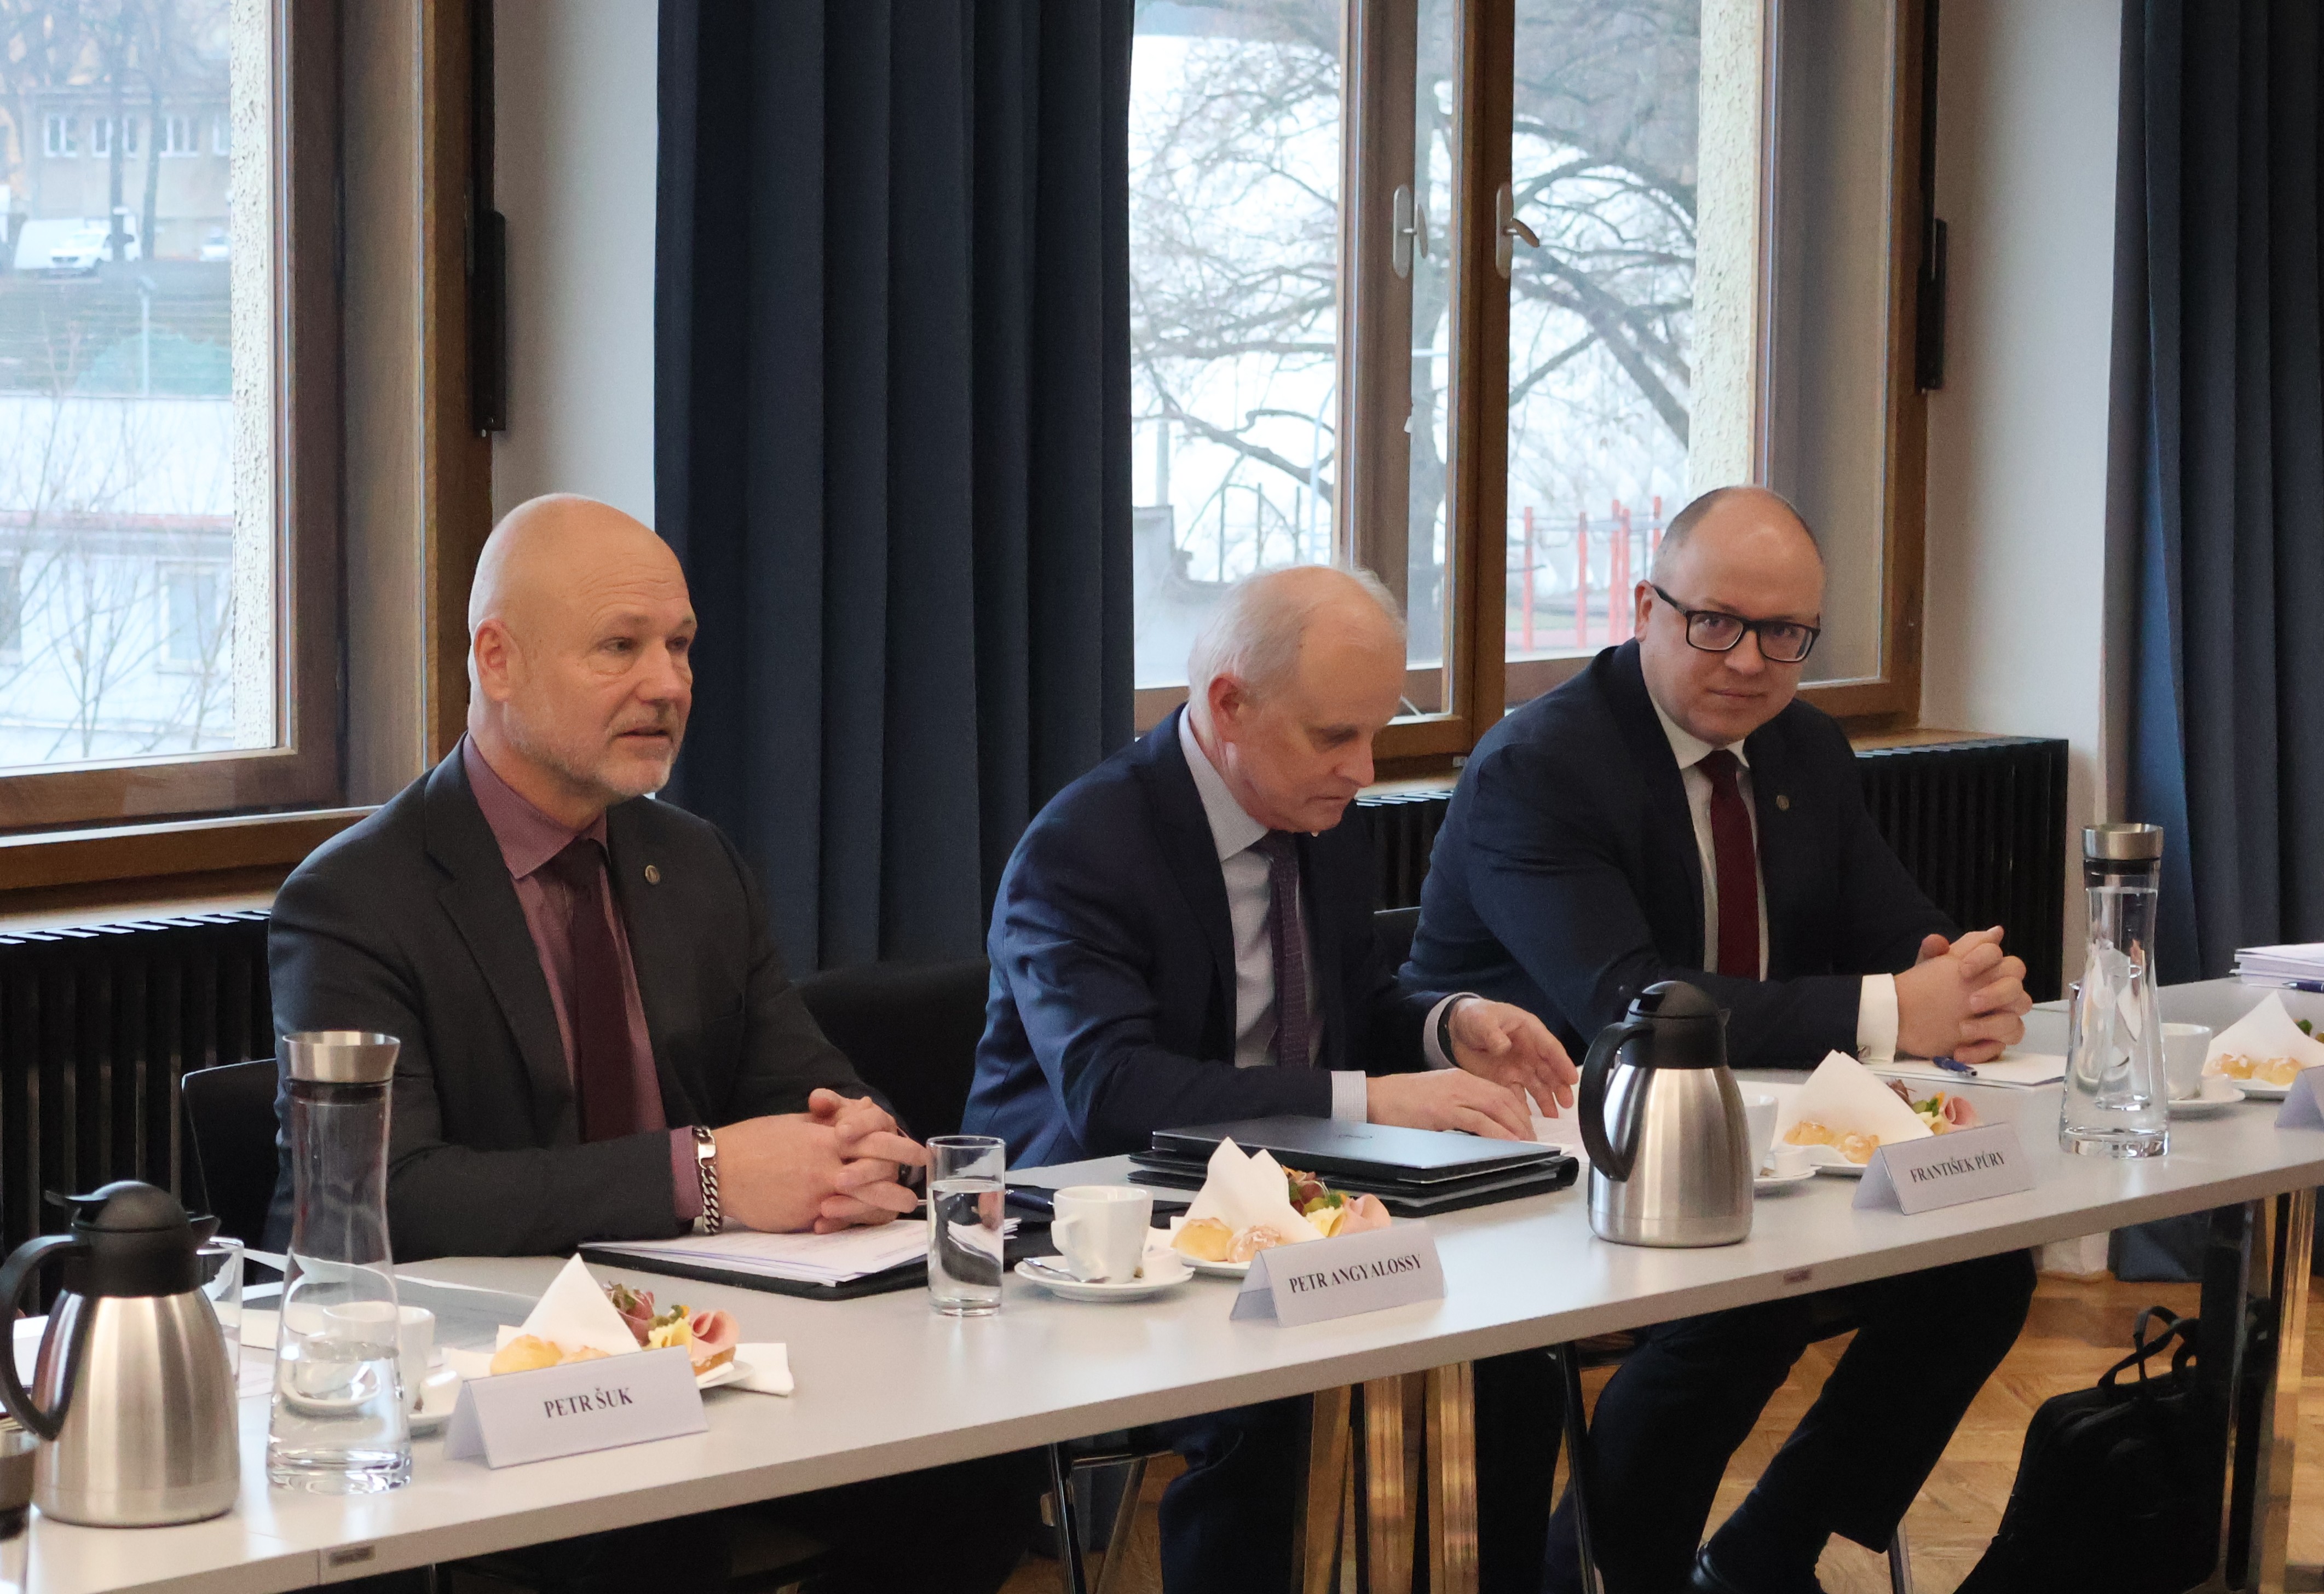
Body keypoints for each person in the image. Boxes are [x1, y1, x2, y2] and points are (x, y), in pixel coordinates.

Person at [268, 494, 1034, 1594]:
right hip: (482, 1388)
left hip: (698, 1352)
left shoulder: (696, 862)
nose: (667, 683)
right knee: (629, 1540)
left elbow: (805, 1082)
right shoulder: (354, 900)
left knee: (976, 1471)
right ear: (498, 660)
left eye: (678, 646)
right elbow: (387, 1195)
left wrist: (858, 1148)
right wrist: (706, 1173)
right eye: (620, 647)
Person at [1408, 486, 2038, 1594]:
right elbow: (1631, 1004)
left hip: (1760, 1148)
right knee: (1747, 1302)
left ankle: (1763, 1551)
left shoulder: (1803, 747)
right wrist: (1897, 1009)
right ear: (1644, 608)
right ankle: (1598, 1576)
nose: (1749, 661)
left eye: (1784, 633)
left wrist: (1964, 976)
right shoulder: (1538, 765)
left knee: (1980, 1265)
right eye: (1715, 622)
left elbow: (1893, 926)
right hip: (1554, 1154)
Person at [968, 564, 1579, 1594]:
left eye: (1375, 733)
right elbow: (1114, 1094)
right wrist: (1369, 1101)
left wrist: (1445, 1027)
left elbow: (1352, 1002)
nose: (1363, 769)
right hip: (1105, 1229)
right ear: (1228, 706)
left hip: (1298, 1211)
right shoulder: (1085, 848)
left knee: (1508, 1366)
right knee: (1276, 1396)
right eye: (1335, 736)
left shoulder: (1316, 817)